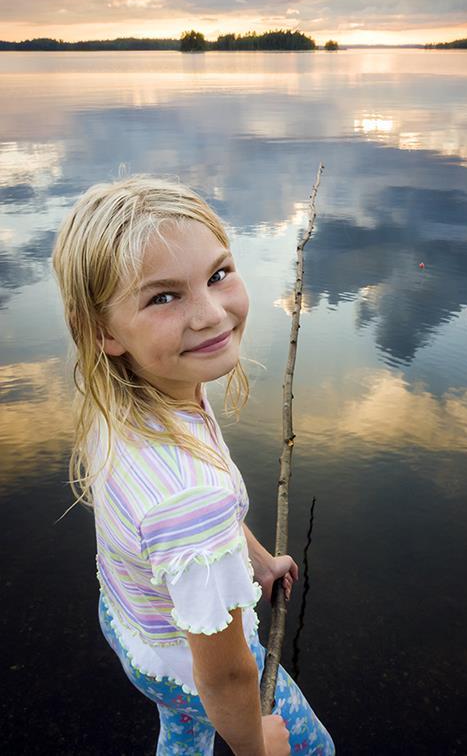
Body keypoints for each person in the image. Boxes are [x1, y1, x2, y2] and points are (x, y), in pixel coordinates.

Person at [52, 175, 335, 756]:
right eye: (163, 296)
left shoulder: (139, 391)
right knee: (311, 749)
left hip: (134, 629)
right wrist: (257, 745)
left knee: (184, 729)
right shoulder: (190, 494)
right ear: (104, 332)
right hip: (189, 660)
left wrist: (254, 561)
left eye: (218, 274)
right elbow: (224, 677)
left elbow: (196, 535)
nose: (210, 314)